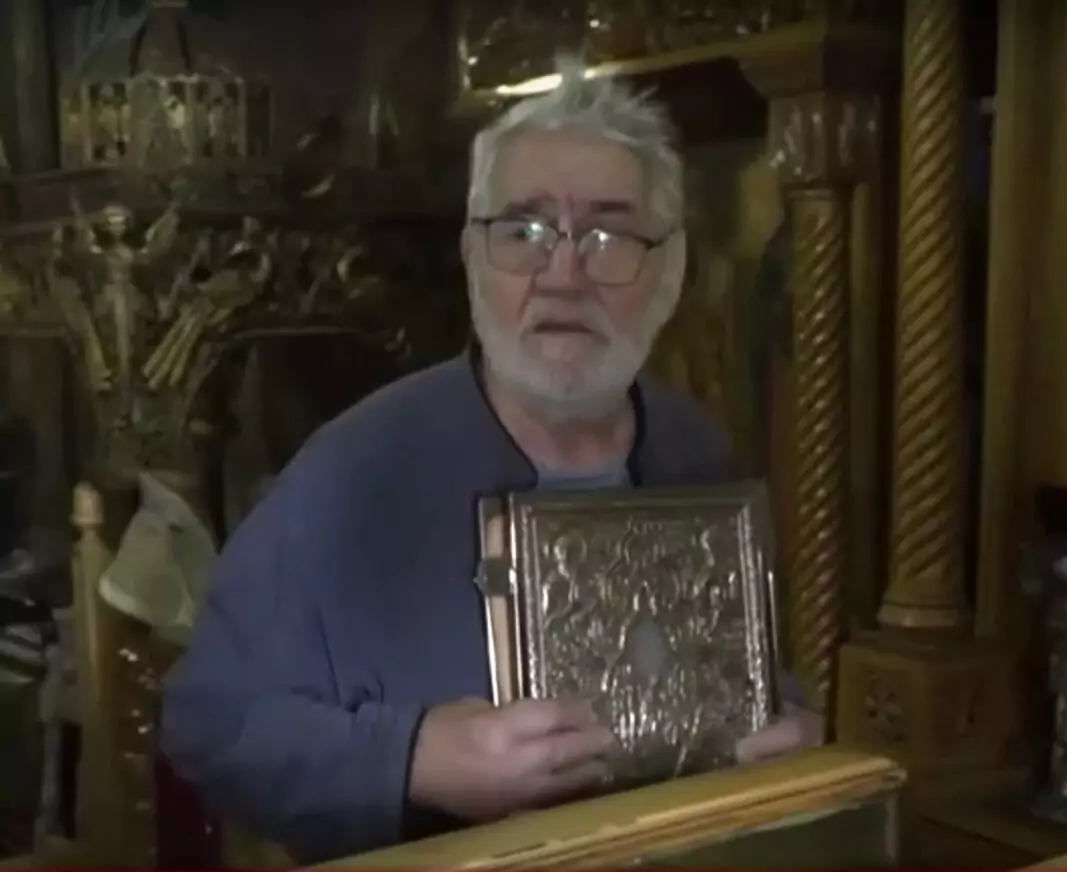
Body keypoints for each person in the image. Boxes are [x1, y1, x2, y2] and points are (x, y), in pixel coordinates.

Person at [161, 58, 820, 864]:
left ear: (671, 269)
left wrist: (786, 729)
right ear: (473, 257)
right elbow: (207, 723)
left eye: (610, 235)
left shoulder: (697, 450)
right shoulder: (355, 473)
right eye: (523, 233)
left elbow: (741, 680)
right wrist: (413, 758)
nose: (564, 275)